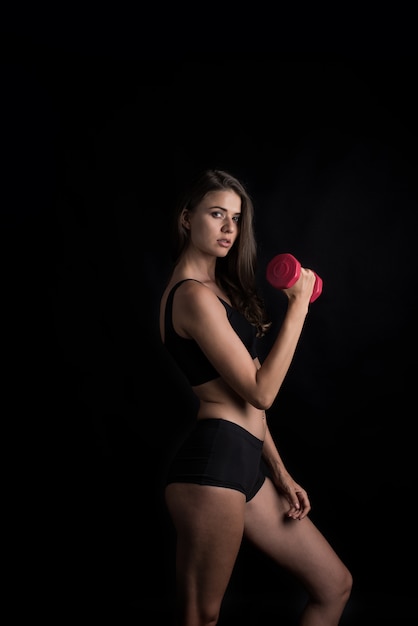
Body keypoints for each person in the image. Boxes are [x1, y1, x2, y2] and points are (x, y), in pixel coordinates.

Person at [159, 168, 352, 626]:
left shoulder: (216, 290)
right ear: (187, 219)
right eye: (217, 214)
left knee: (334, 586)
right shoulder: (191, 297)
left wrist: (280, 474)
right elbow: (261, 392)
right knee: (202, 618)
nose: (230, 227)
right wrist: (299, 308)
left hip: (246, 462)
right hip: (213, 467)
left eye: (237, 218)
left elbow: (248, 397)